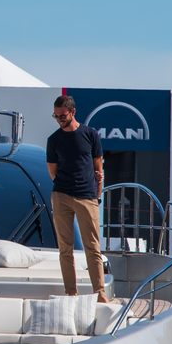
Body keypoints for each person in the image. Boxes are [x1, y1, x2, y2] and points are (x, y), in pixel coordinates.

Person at [46, 95, 108, 302]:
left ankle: (100, 293)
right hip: (61, 194)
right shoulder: (53, 140)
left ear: (72, 112)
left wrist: (97, 195)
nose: (59, 119)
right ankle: (71, 293)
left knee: (93, 247)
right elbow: (52, 171)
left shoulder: (91, 135)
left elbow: (99, 168)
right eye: (56, 116)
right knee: (65, 248)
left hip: (86, 196)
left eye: (62, 115)